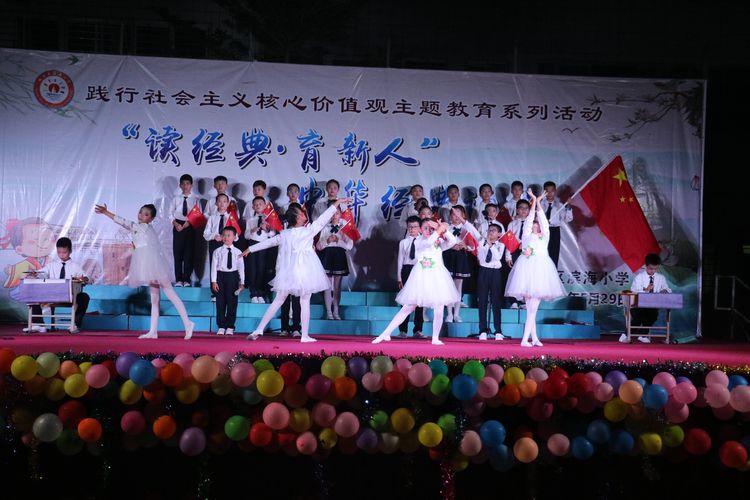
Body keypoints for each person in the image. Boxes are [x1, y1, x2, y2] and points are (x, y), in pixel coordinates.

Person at [243, 198, 351, 343]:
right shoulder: (308, 231)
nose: (304, 213)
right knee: (304, 300)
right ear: (298, 217)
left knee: (279, 299)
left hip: (290, 269)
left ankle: (259, 329)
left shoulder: (286, 234)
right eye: (301, 212)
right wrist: (337, 203)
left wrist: (250, 249)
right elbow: (323, 218)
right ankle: (304, 335)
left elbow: (269, 242)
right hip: (305, 269)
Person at [95, 202, 194, 339]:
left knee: (170, 293)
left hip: (154, 265)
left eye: (146, 214)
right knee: (154, 299)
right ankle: (153, 331)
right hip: (149, 266)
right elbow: (136, 245)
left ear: (151, 219)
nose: (141, 215)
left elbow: (122, 221)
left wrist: (106, 212)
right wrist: (124, 256)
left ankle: (188, 324)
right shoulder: (140, 229)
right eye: (141, 212)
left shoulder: (142, 227)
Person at [372, 219, 460, 346]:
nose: (429, 231)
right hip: (421, 277)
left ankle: (435, 338)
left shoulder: (438, 241)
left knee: (439, 308)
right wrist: (439, 229)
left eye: (431, 229)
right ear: (420, 230)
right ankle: (385, 333)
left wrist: (443, 230)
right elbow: (428, 242)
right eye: (425, 228)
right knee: (408, 307)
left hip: (437, 278)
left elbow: (452, 241)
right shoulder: (418, 241)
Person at [504, 189, 565, 347]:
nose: (534, 225)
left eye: (536, 224)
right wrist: (533, 202)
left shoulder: (545, 236)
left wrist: (538, 202)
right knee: (531, 309)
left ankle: (533, 338)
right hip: (526, 272)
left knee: (533, 309)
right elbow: (530, 218)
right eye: (533, 224)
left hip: (540, 272)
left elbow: (544, 220)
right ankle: (525, 340)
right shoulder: (526, 236)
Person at [26, 237, 90, 334]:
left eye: (64, 252)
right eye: (59, 252)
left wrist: (84, 279)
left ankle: (74, 324)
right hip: (52, 295)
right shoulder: (52, 265)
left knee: (84, 297)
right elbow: (42, 273)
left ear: (70, 251)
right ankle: (38, 324)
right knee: (33, 292)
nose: (61, 255)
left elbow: (86, 277)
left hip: (69, 296)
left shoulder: (75, 266)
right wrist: (35, 274)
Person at [457, 217, 507, 341]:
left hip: (495, 272)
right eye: (489, 230)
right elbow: (472, 230)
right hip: (484, 272)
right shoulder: (481, 241)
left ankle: (498, 331)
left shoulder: (501, 245)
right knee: (482, 301)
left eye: (494, 230)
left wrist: (490, 244)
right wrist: (462, 220)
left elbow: (497, 257)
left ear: (499, 234)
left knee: (496, 301)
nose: (491, 232)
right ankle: (483, 330)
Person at [619, 253, 672, 344]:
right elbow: (634, 291)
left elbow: (668, 289)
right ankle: (625, 335)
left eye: (655, 268)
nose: (653, 271)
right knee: (638, 318)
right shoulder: (639, 277)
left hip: (652, 306)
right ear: (646, 266)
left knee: (653, 315)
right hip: (637, 305)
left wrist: (665, 290)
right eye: (651, 268)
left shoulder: (660, 278)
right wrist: (646, 290)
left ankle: (643, 335)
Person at [316, 208, 353, 320]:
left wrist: (338, 240)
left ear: (341, 214)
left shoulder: (345, 227)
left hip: (339, 256)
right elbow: (318, 246)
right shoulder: (325, 227)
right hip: (327, 256)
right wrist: (327, 241)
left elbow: (349, 246)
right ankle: (328, 312)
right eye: (332, 213)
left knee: (337, 286)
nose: (334, 215)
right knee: (327, 286)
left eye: (337, 213)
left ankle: (336, 311)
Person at [395, 216, 425, 338]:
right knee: (405, 301)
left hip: (419, 270)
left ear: (420, 228)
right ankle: (403, 330)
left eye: (415, 227)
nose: (412, 229)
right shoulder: (403, 242)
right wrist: (399, 278)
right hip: (407, 270)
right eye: (410, 227)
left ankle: (418, 330)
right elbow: (400, 260)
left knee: (419, 301)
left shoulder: (424, 241)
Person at [211, 226, 244, 336]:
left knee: (232, 302)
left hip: (233, 277)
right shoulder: (217, 251)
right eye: (224, 235)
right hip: (220, 276)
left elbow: (241, 268)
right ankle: (221, 326)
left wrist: (242, 282)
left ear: (234, 237)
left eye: (229, 235)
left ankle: (230, 326)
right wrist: (214, 281)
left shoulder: (238, 252)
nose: (226, 237)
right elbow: (214, 267)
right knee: (220, 302)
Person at [244, 196, 277, 303]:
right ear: (253, 207)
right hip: (253, 244)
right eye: (256, 205)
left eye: (260, 204)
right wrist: (252, 231)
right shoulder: (250, 220)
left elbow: (273, 234)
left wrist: (267, 230)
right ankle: (253, 293)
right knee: (252, 269)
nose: (258, 206)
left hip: (264, 245)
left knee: (262, 269)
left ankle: (261, 293)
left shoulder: (269, 219)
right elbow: (246, 235)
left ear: (265, 206)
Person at [171, 174, 200, 287]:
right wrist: (176, 223)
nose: (185, 186)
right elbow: (170, 213)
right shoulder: (175, 199)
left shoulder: (195, 199)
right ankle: (178, 279)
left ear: (191, 185)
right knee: (177, 253)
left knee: (189, 254)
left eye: (187, 184)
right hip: (177, 225)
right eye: (183, 184)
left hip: (190, 226)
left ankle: (187, 279)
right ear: (180, 185)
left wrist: (187, 224)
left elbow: (198, 215)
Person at [540, 181, 573, 267]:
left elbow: (568, 218)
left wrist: (568, 206)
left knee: (554, 253)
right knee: (542, 252)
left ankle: (553, 272)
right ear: (544, 192)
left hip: (554, 231)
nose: (549, 193)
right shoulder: (540, 204)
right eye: (547, 191)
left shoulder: (559, 205)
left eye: (552, 191)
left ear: (555, 191)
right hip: (542, 231)